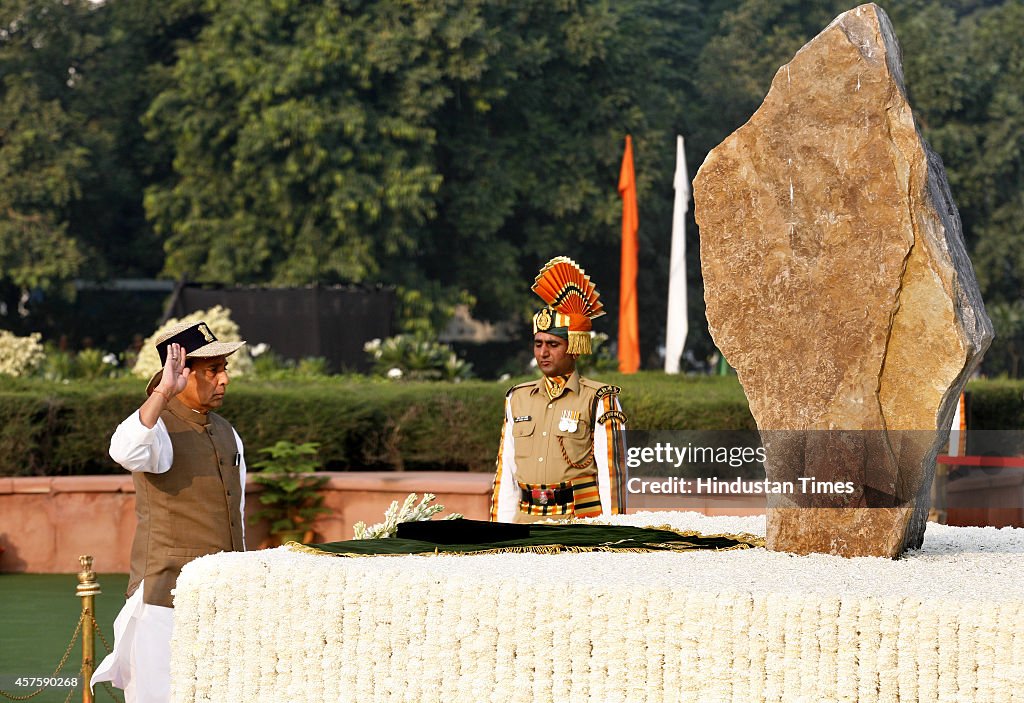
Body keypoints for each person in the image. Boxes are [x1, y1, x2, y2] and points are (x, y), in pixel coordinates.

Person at [91, 321, 246, 703]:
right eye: (214, 370)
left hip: (225, 592)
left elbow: (236, 514)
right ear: (182, 373)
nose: (224, 380)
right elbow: (125, 450)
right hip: (165, 596)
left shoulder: (227, 431)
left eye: (225, 369)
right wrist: (163, 392)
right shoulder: (157, 427)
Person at [490, 257, 627, 523]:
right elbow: (506, 471)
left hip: (578, 520)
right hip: (525, 517)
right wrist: (499, 528)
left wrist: (614, 530)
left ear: (574, 347)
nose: (543, 352)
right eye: (538, 343)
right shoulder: (517, 398)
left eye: (553, 344)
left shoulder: (599, 398)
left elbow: (613, 473)